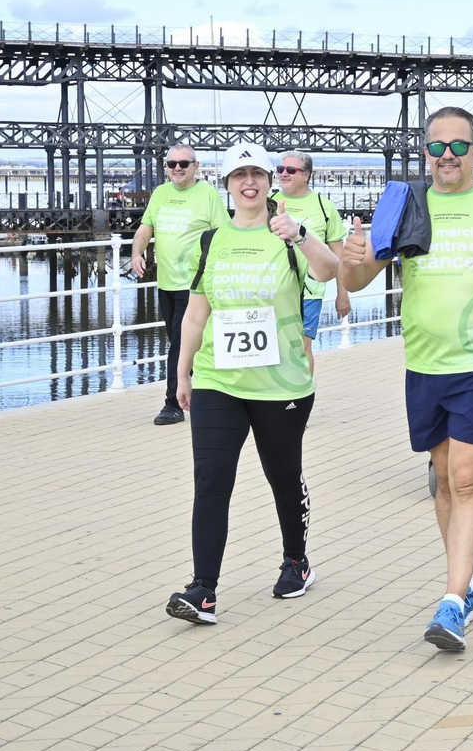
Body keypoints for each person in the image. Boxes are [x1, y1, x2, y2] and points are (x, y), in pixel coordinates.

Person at [337, 106, 473, 652]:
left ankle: (453, 601)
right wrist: (351, 259)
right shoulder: (406, 204)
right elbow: (362, 277)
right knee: (443, 478)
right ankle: (468, 586)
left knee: (466, 479)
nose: (447, 156)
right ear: (426, 152)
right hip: (424, 365)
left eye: (459, 146)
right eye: (437, 146)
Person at [165, 143, 343, 625]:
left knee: (282, 476)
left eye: (257, 175)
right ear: (227, 184)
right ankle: (203, 590)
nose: (249, 183)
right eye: (239, 175)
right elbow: (197, 310)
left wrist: (301, 234)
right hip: (218, 381)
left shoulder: (287, 233)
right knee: (211, 482)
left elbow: (331, 270)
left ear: (270, 182)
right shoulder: (211, 240)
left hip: (280, 383)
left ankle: (295, 561)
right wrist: (182, 371)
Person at [132, 144, 228, 426]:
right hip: (166, 283)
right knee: (179, 341)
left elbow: (220, 234)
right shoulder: (161, 193)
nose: (177, 168)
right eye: (171, 163)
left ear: (195, 166)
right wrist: (137, 252)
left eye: (184, 164)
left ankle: (172, 404)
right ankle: (205, 394)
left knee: (181, 343)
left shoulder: (207, 194)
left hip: (194, 283)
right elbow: (145, 227)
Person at [270, 149, 351, 374]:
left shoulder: (324, 207)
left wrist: (342, 294)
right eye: (280, 169)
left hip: (310, 291)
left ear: (306, 175)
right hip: (272, 289)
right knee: (273, 346)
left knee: (302, 346)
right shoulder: (268, 204)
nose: (283, 174)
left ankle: (302, 398)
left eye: (290, 170)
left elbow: (339, 256)